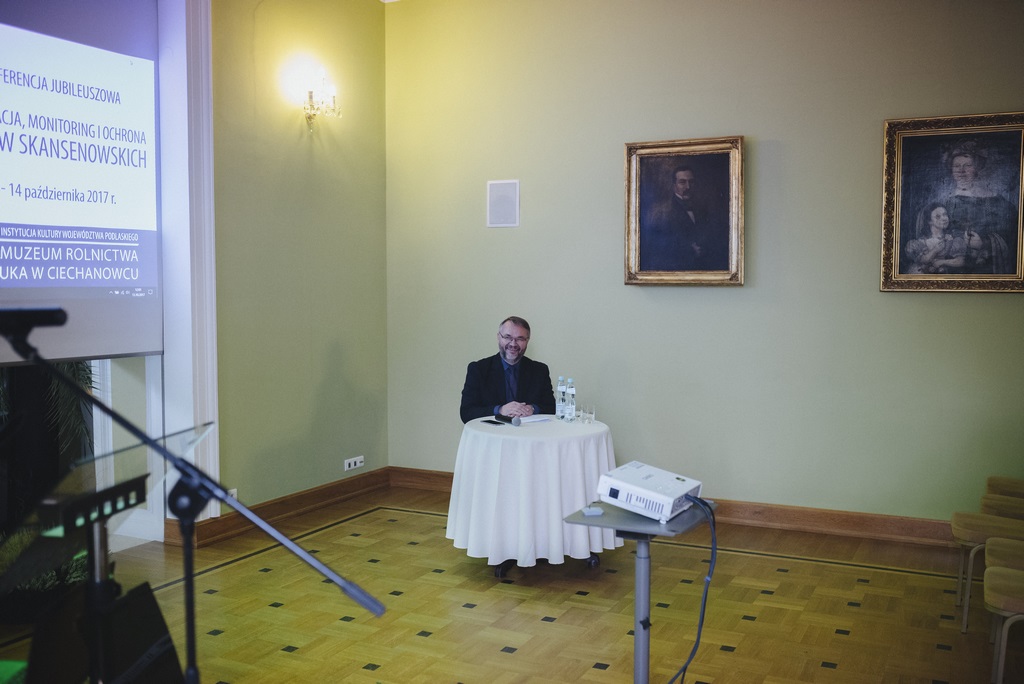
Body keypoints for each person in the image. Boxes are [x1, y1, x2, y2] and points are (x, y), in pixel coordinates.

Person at [459, 316, 555, 423]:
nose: (513, 344)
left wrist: (532, 409)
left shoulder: (540, 371)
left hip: (529, 432)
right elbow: (466, 413)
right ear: (498, 337)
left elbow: (552, 408)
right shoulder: (478, 369)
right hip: (492, 432)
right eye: (507, 337)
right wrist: (500, 410)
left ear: (527, 341)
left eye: (520, 339)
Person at [942, 142, 1017, 274]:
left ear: (977, 168)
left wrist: (984, 244)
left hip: (985, 269)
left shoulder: (996, 201)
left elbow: (1012, 235)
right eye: (956, 166)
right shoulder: (943, 202)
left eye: (967, 165)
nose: (961, 171)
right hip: (950, 268)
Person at [640, 165, 729, 271]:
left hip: (705, 268)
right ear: (674, 185)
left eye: (691, 182)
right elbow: (658, 246)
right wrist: (689, 250)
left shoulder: (704, 208)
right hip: (676, 269)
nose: (688, 187)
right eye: (682, 182)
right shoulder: (662, 212)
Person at [904, 202, 966, 274]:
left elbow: (961, 261)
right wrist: (935, 250)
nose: (944, 218)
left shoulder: (953, 240)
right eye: (938, 216)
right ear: (929, 221)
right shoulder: (921, 242)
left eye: (945, 214)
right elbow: (923, 261)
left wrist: (942, 262)